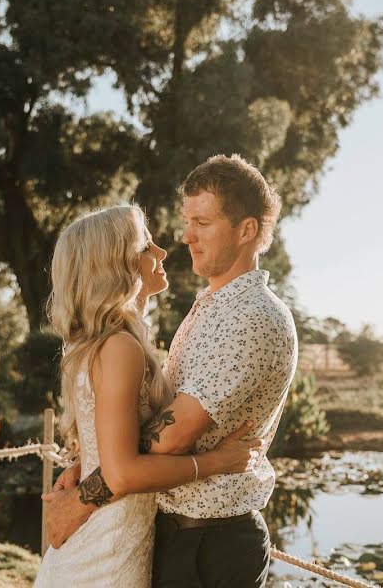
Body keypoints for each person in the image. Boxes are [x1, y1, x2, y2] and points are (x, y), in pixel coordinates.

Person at [44, 154, 298, 588]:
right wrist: (91, 457)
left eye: (202, 223)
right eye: (188, 221)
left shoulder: (251, 317)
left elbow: (168, 439)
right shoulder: (207, 309)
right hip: (169, 533)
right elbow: (131, 436)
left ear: (247, 230)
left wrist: (86, 492)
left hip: (210, 545)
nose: (185, 237)